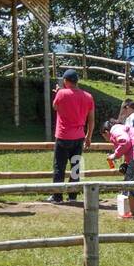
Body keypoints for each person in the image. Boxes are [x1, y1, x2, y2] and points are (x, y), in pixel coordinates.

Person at [49, 69, 95, 203]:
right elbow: (91, 119)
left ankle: (57, 196)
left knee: (59, 167)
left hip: (63, 137)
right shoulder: (88, 96)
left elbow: (55, 107)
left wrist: (58, 92)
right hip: (79, 137)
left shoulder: (61, 93)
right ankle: (73, 196)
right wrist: (89, 136)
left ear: (65, 81)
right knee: (76, 167)